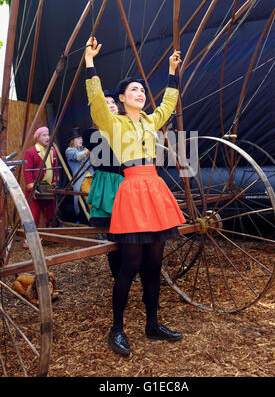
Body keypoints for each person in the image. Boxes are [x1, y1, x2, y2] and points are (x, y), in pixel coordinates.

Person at [85, 36, 186, 356]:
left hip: (155, 190)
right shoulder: (112, 123)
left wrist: (172, 71)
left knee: (154, 264)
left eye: (143, 90)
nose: (140, 93)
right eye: (134, 90)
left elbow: (168, 103)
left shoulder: (151, 122)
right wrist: (89, 62)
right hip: (132, 192)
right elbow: (97, 100)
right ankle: (117, 329)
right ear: (122, 98)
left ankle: (152, 324)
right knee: (130, 265)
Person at [86, 89, 124, 279]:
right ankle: (118, 273)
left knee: (130, 230)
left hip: (126, 182)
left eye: (113, 103)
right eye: (106, 103)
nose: (111, 106)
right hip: (108, 184)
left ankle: (129, 269)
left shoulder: (126, 127)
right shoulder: (92, 134)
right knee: (113, 233)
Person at [23, 126, 59, 228]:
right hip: (36, 190)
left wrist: (55, 183)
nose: (47, 137)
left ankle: (51, 239)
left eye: (48, 135)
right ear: (38, 138)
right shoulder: (31, 152)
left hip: (48, 189)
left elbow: (55, 168)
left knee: (51, 215)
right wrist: (32, 189)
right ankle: (30, 241)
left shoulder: (52, 150)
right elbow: (27, 172)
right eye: (44, 135)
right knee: (33, 217)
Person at [65, 127, 94, 217]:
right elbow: (78, 156)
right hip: (82, 179)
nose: (80, 140)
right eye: (78, 138)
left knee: (97, 198)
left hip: (93, 176)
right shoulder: (69, 151)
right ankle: (95, 219)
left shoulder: (84, 149)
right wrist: (90, 149)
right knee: (90, 200)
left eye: (81, 138)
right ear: (72, 141)